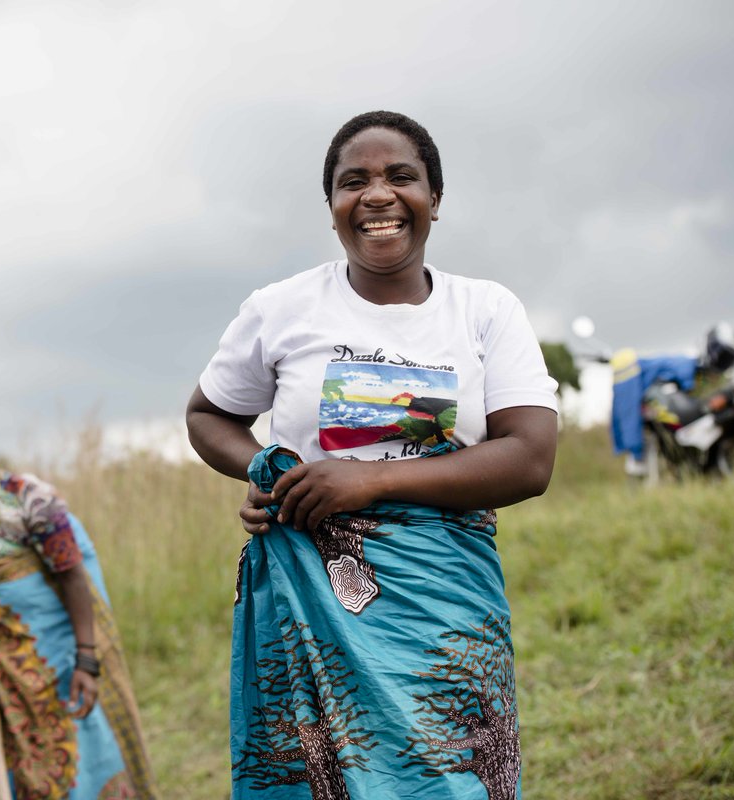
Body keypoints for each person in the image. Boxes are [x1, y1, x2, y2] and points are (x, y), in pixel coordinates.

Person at [185, 111, 558, 798]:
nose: (377, 195)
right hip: (311, 596)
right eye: (352, 182)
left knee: (449, 775)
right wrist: (266, 471)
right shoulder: (281, 309)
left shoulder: (484, 310)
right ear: (332, 208)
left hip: (442, 604)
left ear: (434, 200)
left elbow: (530, 458)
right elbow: (208, 415)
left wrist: (369, 483)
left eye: (400, 177)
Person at [0, 384, 157, 799]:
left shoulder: (27, 500)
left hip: (61, 660)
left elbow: (71, 576)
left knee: (83, 756)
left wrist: (86, 659)